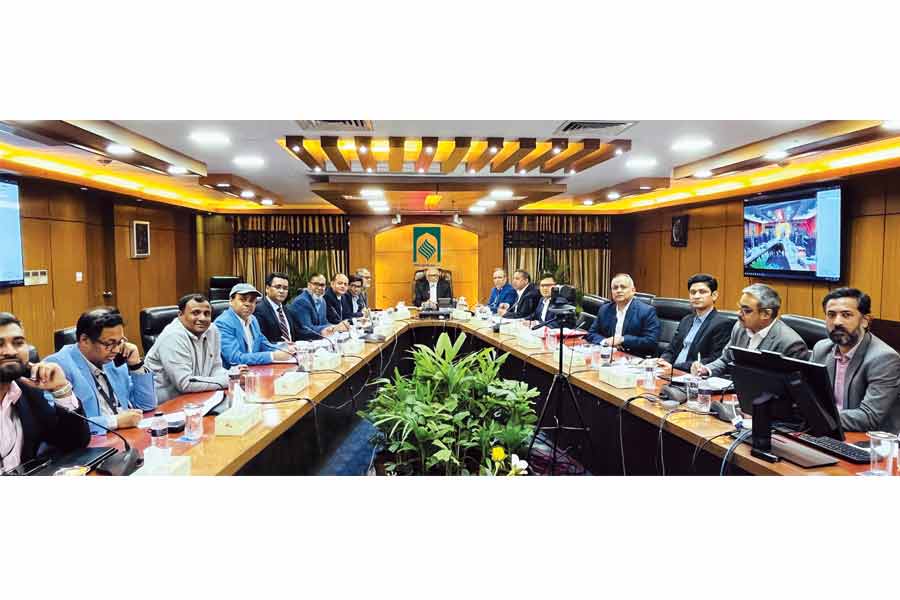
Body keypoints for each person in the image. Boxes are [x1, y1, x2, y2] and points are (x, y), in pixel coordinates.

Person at [0, 312, 90, 473]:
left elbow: (73, 443)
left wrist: (61, 390)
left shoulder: (27, 392)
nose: (10, 351)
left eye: (18, 343)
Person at [45, 307, 156, 435]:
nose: (116, 350)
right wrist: (114, 421)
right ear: (85, 340)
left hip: (124, 435)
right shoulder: (58, 366)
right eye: (109, 344)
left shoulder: (113, 359)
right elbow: (60, 425)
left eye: (119, 342)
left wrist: (136, 365)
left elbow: (146, 406)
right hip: (92, 443)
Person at [810, 288, 900, 433]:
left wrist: (817, 416)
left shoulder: (884, 358)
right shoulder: (821, 349)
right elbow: (811, 397)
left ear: (865, 321)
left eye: (846, 315)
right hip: (830, 432)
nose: (837, 322)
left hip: (867, 439)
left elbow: (869, 417)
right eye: (831, 315)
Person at [693, 283, 807, 378]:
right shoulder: (739, 328)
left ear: (766, 314)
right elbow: (726, 360)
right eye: (740, 308)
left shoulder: (789, 343)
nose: (739, 314)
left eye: (746, 311)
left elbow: (790, 387)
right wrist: (706, 369)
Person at [144, 294, 231, 404]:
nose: (202, 318)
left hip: (198, 396)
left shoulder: (212, 330)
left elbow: (215, 368)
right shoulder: (173, 336)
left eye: (207, 313)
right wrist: (228, 380)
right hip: (166, 403)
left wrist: (234, 376)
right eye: (195, 313)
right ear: (180, 315)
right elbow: (185, 383)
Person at [657, 274, 734, 373]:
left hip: (692, 375)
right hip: (669, 371)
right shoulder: (686, 320)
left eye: (702, 292)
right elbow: (671, 349)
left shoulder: (722, 323)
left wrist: (675, 367)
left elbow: (714, 358)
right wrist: (663, 361)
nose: (696, 296)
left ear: (714, 295)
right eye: (693, 292)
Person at [214, 283, 296, 368]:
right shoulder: (223, 323)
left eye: (252, 301)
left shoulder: (253, 319)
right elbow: (234, 358)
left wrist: (285, 348)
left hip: (254, 370)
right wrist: (272, 356)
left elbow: (263, 343)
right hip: (234, 373)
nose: (248, 304)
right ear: (231, 301)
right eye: (242, 300)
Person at [585, 273, 660, 356]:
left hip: (635, 357)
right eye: (615, 288)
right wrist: (606, 342)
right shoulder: (605, 309)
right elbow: (591, 334)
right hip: (608, 355)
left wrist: (622, 340)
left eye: (623, 287)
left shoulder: (647, 311)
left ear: (633, 290)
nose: (618, 290)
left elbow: (651, 341)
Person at [254, 272, 316, 343]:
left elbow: (299, 332)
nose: (282, 291)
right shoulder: (258, 309)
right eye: (278, 287)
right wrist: (282, 345)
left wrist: (321, 334)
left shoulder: (288, 310)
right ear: (267, 288)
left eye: (285, 288)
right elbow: (261, 341)